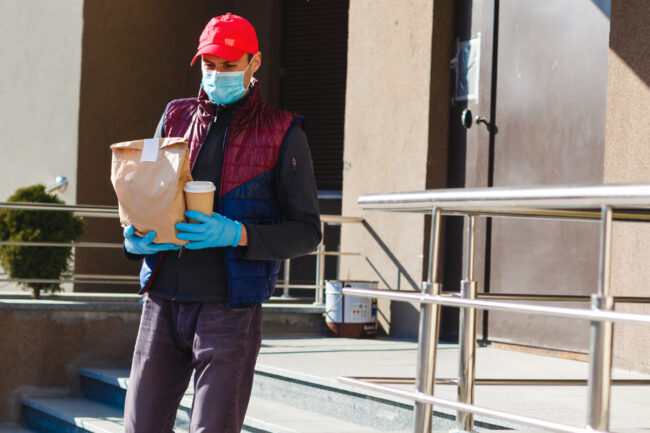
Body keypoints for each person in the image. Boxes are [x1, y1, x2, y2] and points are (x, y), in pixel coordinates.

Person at [121, 13, 322, 433]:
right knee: (140, 427)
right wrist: (135, 238)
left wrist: (236, 233)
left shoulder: (283, 132)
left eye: (229, 65)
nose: (217, 74)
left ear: (255, 63)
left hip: (228, 309)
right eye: (209, 64)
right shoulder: (175, 116)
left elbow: (307, 231)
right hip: (161, 299)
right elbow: (149, 192)